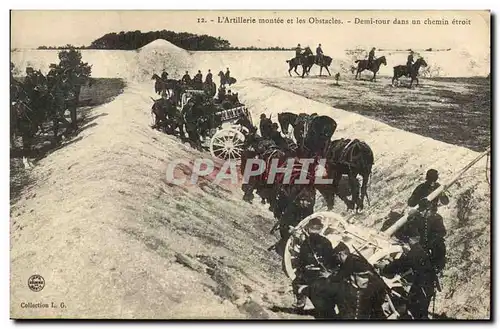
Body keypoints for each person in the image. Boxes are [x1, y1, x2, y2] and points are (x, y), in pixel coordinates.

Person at [380, 235, 439, 319]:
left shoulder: (414, 252)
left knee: (418, 311)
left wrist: (385, 268)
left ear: (411, 240)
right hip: (428, 285)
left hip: (423, 287)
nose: (406, 245)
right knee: (419, 309)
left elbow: (401, 264)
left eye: (407, 242)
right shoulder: (421, 249)